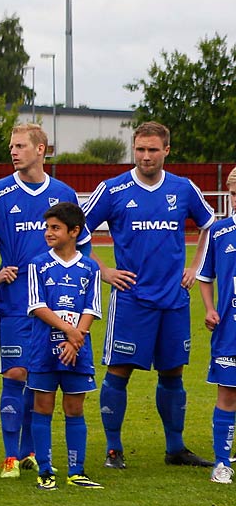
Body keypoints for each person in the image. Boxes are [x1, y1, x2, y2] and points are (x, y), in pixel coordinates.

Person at [80, 121, 214, 469]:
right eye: (140, 149)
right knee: (118, 372)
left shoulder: (183, 189)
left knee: (173, 373)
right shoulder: (112, 189)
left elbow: (209, 226)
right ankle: (113, 449)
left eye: (153, 150)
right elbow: (76, 233)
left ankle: (176, 448)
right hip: (131, 300)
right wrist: (104, 271)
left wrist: (196, 268)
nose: (146, 156)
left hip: (173, 300)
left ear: (166, 151)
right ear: (133, 149)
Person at [0, 124, 84, 478]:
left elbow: (84, 243)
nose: (13, 152)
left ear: (41, 149)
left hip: (55, 303)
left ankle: (32, 451)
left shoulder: (63, 193)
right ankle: (10, 456)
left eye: (20, 146)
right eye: (11, 146)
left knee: (39, 376)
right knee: (15, 373)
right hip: (15, 302)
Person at [24, 202, 104, 490]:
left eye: (55, 228)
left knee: (74, 408)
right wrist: (70, 331)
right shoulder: (37, 264)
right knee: (42, 407)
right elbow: (37, 305)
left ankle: (76, 470)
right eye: (47, 227)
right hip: (44, 349)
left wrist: (76, 338)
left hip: (77, 350)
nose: (48, 232)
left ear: (74, 231)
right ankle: (45, 470)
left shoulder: (90, 267)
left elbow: (92, 307)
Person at [194, 167, 236, 484]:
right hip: (229, 331)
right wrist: (209, 309)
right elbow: (205, 278)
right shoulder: (220, 233)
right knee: (227, 395)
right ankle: (221, 463)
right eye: (234, 195)